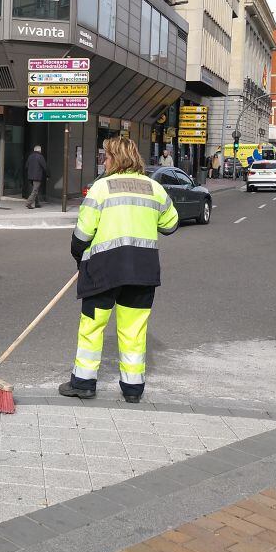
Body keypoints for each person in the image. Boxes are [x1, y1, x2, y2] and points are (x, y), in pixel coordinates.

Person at [60, 136, 178, 403]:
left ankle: (84, 384)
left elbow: (82, 234)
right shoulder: (154, 189)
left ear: (115, 158)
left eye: (106, 156)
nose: (104, 160)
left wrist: (79, 257)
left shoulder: (102, 188)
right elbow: (171, 225)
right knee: (134, 331)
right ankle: (133, 390)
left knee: (92, 327)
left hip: (103, 271)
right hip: (143, 272)